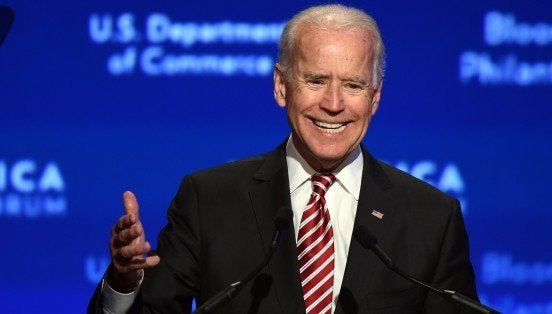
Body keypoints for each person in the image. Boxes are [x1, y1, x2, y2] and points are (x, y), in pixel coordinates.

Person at [88, 4, 478, 314]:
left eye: (353, 85)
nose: (333, 104)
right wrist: (124, 282)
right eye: (316, 80)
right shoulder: (209, 199)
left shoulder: (431, 218)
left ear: (375, 98)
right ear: (281, 86)